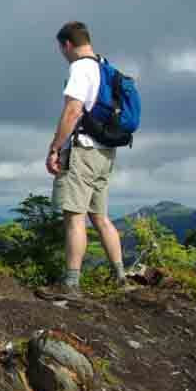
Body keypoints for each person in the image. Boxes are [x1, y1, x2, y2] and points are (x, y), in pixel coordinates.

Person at [43, 21, 127, 298]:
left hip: (84, 151)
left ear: (67, 44)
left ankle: (71, 284)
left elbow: (73, 111)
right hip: (106, 151)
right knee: (100, 217)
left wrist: (55, 148)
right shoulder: (106, 67)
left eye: (61, 49)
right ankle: (121, 277)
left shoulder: (80, 68)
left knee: (74, 216)